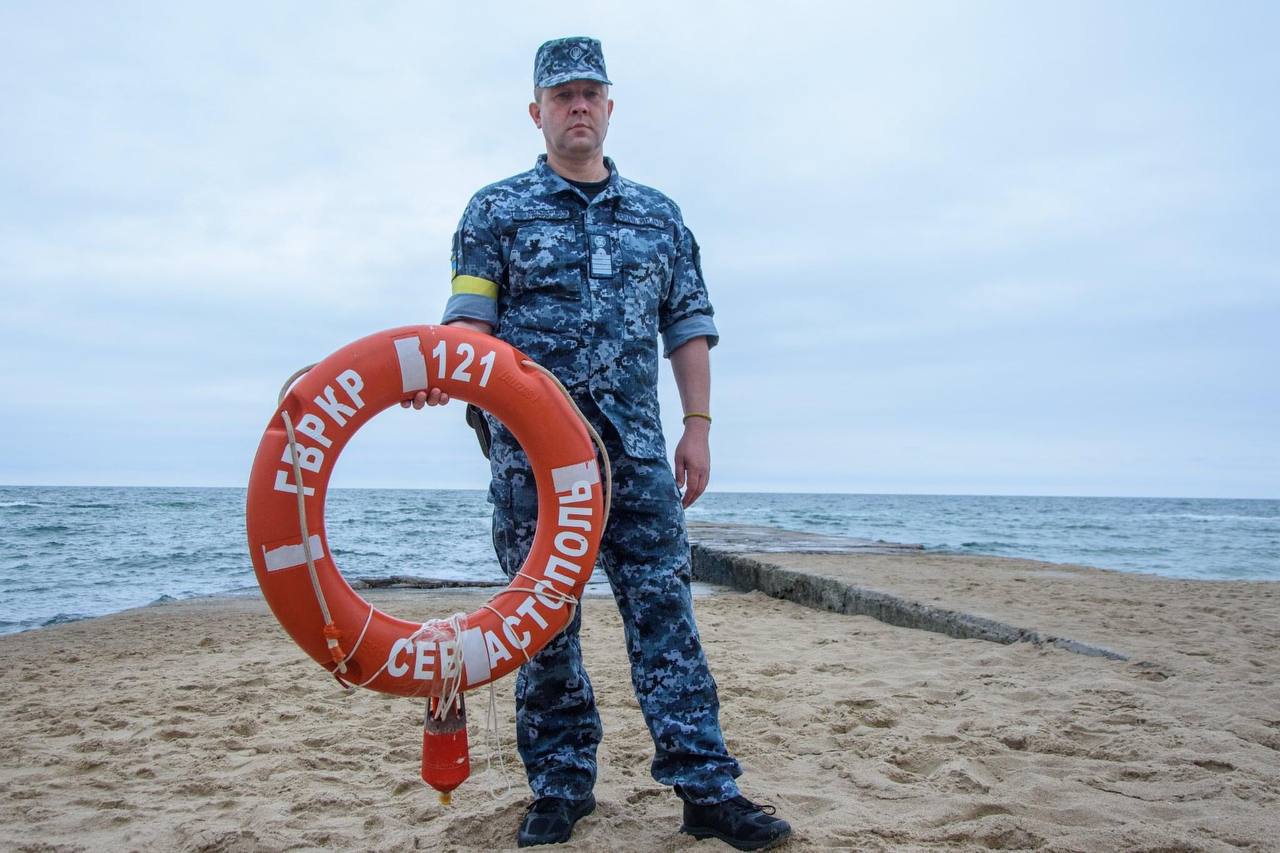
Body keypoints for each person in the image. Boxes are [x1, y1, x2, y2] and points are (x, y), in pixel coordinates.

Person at [407, 37, 791, 850]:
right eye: (561, 95)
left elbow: (688, 326)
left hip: (638, 463)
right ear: (537, 111)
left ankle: (706, 789)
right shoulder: (494, 211)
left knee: (667, 620)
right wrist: (434, 371)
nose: (577, 105)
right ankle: (560, 786)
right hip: (531, 466)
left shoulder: (660, 216)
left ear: (609, 107)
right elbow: (469, 323)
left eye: (590, 93)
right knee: (544, 628)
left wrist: (698, 427)